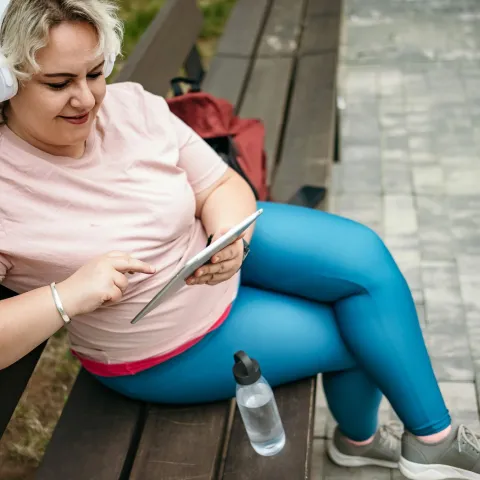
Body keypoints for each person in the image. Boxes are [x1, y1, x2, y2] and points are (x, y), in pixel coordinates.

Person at [0, 0, 479, 478]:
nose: (86, 99)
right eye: (59, 84)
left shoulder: (129, 106)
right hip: (165, 342)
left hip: (203, 253)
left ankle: (429, 440)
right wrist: (68, 296)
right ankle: (365, 441)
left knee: (363, 257)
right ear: (6, 81)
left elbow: (219, 184)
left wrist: (231, 240)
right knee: (363, 335)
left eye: (96, 72)